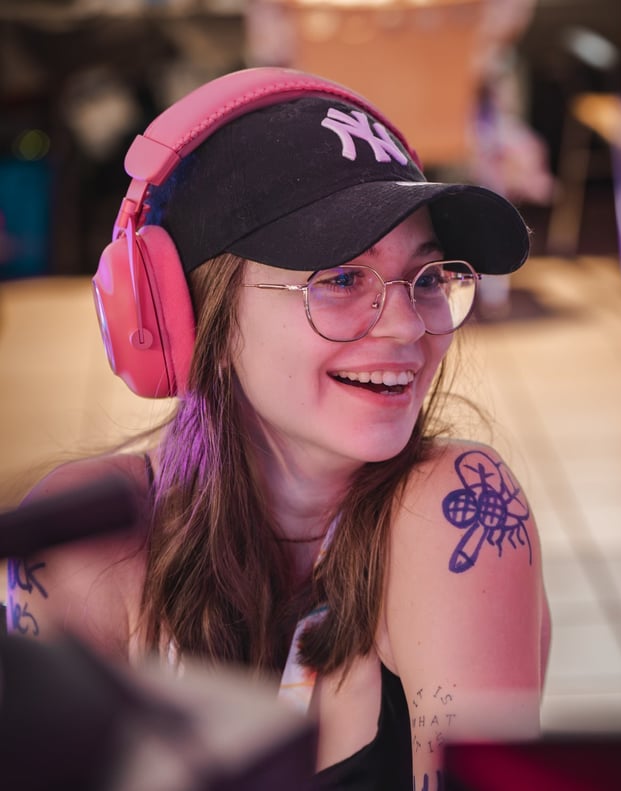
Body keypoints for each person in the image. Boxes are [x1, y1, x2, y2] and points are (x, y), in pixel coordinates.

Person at [5, 67, 550, 790]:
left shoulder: (458, 513)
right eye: (340, 278)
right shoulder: (82, 545)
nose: (405, 326)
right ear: (189, 315)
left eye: (425, 278)